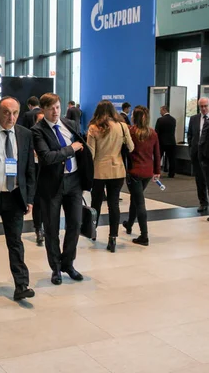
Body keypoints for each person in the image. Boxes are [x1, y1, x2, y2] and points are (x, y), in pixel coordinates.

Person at [31, 93, 93, 285]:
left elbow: (82, 147)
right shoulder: (37, 130)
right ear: (43, 109)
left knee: (75, 224)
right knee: (51, 228)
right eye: (51, 108)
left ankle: (68, 263)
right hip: (51, 185)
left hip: (74, 182)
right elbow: (48, 157)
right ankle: (55, 268)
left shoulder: (69, 124)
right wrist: (71, 149)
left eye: (57, 107)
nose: (55, 111)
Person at [0, 97, 36, 301]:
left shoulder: (25, 134)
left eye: (14, 113)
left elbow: (29, 168)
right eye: (6, 113)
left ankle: (21, 284)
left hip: (15, 196)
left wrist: (30, 198)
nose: (11, 117)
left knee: (15, 240)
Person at [87, 100, 134, 252]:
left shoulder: (93, 128)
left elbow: (91, 154)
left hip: (99, 171)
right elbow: (131, 147)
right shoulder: (122, 126)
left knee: (96, 203)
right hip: (117, 170)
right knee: (114, 204)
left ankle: (93, 232)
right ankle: (112, 238)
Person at [122, 106, 160, 246]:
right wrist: (157, 171)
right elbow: (157, 154)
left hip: (134, 172)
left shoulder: (131, 132)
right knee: (136, 198)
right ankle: (129, 224)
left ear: (134, 117)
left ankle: (144, 236)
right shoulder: (153, 133)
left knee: (139, 202)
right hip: (147, 172)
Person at [187, 97, 209, 213]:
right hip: (197, 154)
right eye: (201, 106)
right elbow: (190, 135)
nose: (203, 108)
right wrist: (192, 149)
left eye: (205, 106)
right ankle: (203, 202)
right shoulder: (194, 119)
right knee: (200, 180)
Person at [32, 111, 45, 246]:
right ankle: (38, 228)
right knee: (37, 201)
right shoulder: (31, 134)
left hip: (47, 169)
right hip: (35, 168)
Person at [155, 105, 177, 178]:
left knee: (158, 158)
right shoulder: (173, 119)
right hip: (171, 142)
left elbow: (156, 132)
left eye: (160, 110)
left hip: (161, 142)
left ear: (164, 110)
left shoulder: (160, 120)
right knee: (171, 159)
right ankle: (171, 174)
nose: (160, 112)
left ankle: (156, 172)